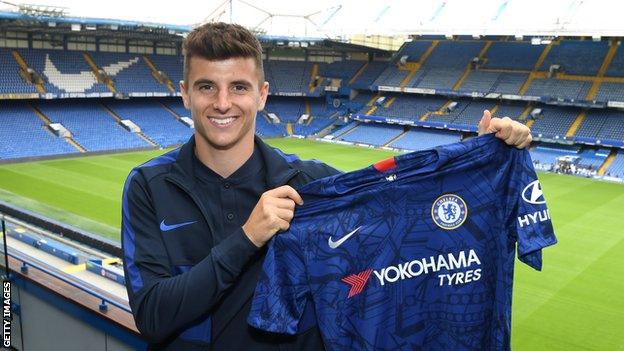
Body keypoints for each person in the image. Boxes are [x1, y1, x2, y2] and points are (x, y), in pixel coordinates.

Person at [121, 22, 533, 351]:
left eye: (239, 87)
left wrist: (475, 157)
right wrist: (247, 238)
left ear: (262, 95)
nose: (223, 102)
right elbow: (153, 318)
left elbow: (405, 217)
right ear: (184, 95)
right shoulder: (149, 187)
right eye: (206, 86)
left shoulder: (314, 184)